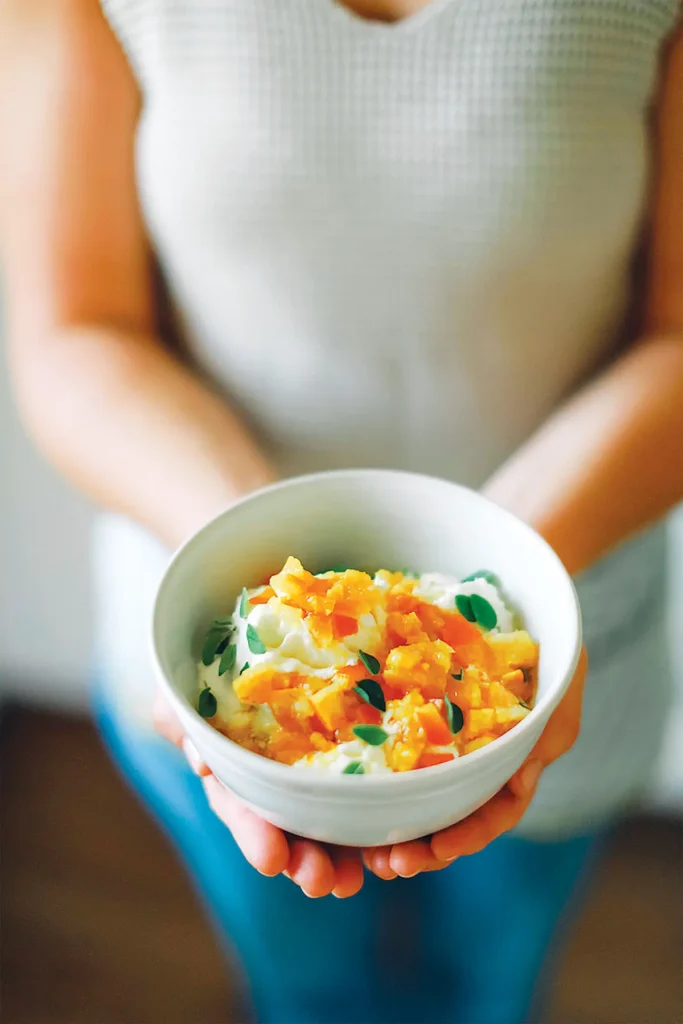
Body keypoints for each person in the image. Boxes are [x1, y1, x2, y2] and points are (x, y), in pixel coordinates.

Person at [1, 1, 682, 1021]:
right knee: (302, 990)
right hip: (201, 653)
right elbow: (75, 328)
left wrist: (506, 566)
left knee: (490, 988)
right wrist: (247, 558)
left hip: (570, 637)